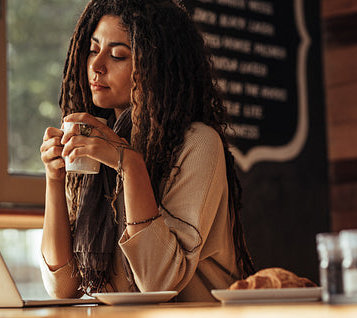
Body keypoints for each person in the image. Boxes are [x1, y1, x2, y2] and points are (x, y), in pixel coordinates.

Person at [39, 0, 255, 302]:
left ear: (156, 66)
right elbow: (62, 288)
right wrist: (54, 178)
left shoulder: (198, 143)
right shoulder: (94, 147)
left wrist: (129, 164)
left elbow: (159, 283)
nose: (96, 65)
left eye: (117, 55)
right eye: (92, 49)